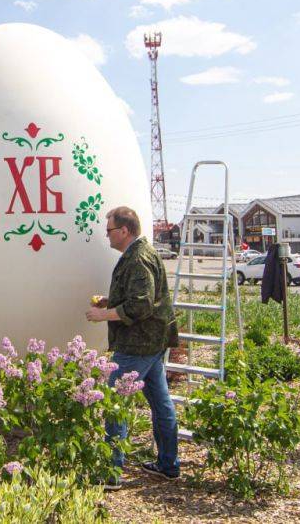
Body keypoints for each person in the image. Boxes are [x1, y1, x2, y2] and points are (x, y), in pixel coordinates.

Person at [86, 206, 180, 488]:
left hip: (137, 343)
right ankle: (168, 465)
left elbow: (141, 304)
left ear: (124, 231)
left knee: (115, 403)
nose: (108, 236)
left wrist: (104, 315)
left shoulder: (138, 258)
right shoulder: (142, 253)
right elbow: (138, 296)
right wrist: (109, 301)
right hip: (151, 341)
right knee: (160, 402)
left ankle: (111, 473)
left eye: (110, 231)